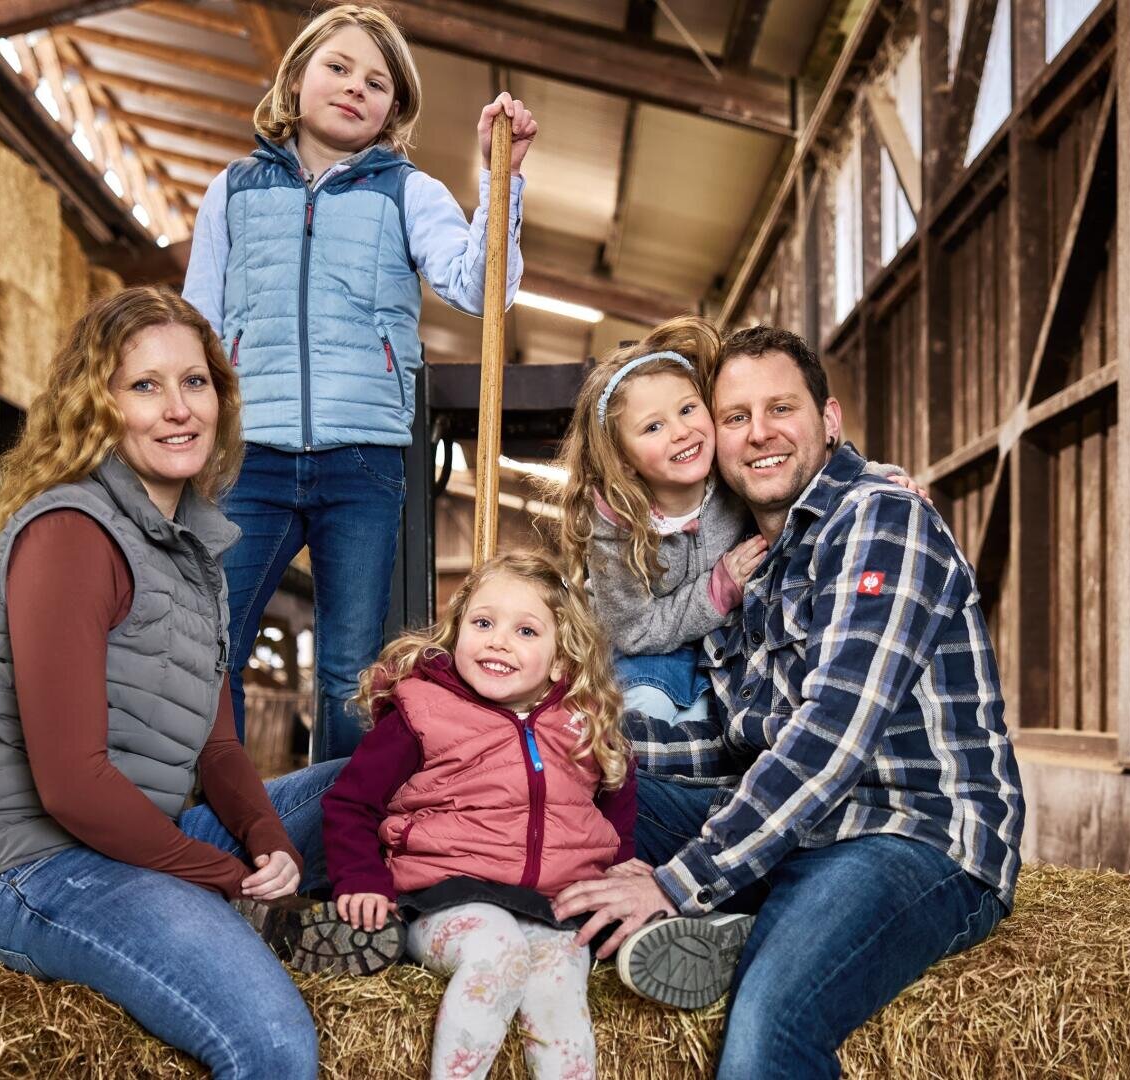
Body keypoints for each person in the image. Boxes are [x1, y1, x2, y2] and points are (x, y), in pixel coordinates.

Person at [554, 326, 1026, 1080]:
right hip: (788, 830)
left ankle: (750, 931)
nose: (759, 433)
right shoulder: (744, 563)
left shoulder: (880, 519)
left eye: (781, 409)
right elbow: (720, 744)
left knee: (768, 1028)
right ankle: (374, 888)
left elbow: (831, 736)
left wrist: (676, 881)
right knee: (542, 787)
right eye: (735, 417)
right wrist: (554, 746)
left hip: (904, 833)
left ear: (829, 421)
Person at [0, 287, 391, 1078]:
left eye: (195, 382)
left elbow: (218, 748)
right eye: (145, 386)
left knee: (376, 784)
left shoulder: (193, 550)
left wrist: (267, 838)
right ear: (99, 406)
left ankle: (464, 932)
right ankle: (249, 934)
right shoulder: (69, 534)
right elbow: (73, 788)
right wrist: (233, 879)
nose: (179, 408)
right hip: (45, 869)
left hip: (145, 841)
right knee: (274, 1046)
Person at [182, 3, 539, 763]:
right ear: (296, 78)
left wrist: (500, 178)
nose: (355, 87)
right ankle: (223, 818)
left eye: (377, 82)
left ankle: (334, 823)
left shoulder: (407, 192)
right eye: (338, 68)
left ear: (393, 108)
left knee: (350, 669)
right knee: (212, 644)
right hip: (251, 455)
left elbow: (481, 290)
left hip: (363, 459)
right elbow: (198, 325)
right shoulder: (233, 191)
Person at [552, 316, 922, 774]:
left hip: (712, 664)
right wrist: (718, 588)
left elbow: (808, 473)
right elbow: (630, 631)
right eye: (652, 427)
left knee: (700, 739)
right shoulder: (618, 525)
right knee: (633, 736)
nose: (680, 432)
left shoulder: (727, 480)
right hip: (638, 657)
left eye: (689, 410)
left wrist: (878, 474)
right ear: (623, 460)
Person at [321, 552, 636, 1080]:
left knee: (560, 978)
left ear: (561, 659)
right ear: (457, 632)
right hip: (444, 899)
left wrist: (621, 872)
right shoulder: (424, 713)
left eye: (525, 631)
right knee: (497, 949)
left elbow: (616, 807)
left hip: (550, 908)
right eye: (483, 623)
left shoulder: (583, 725)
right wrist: (361, 879)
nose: (498, 641)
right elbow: (351, 803)